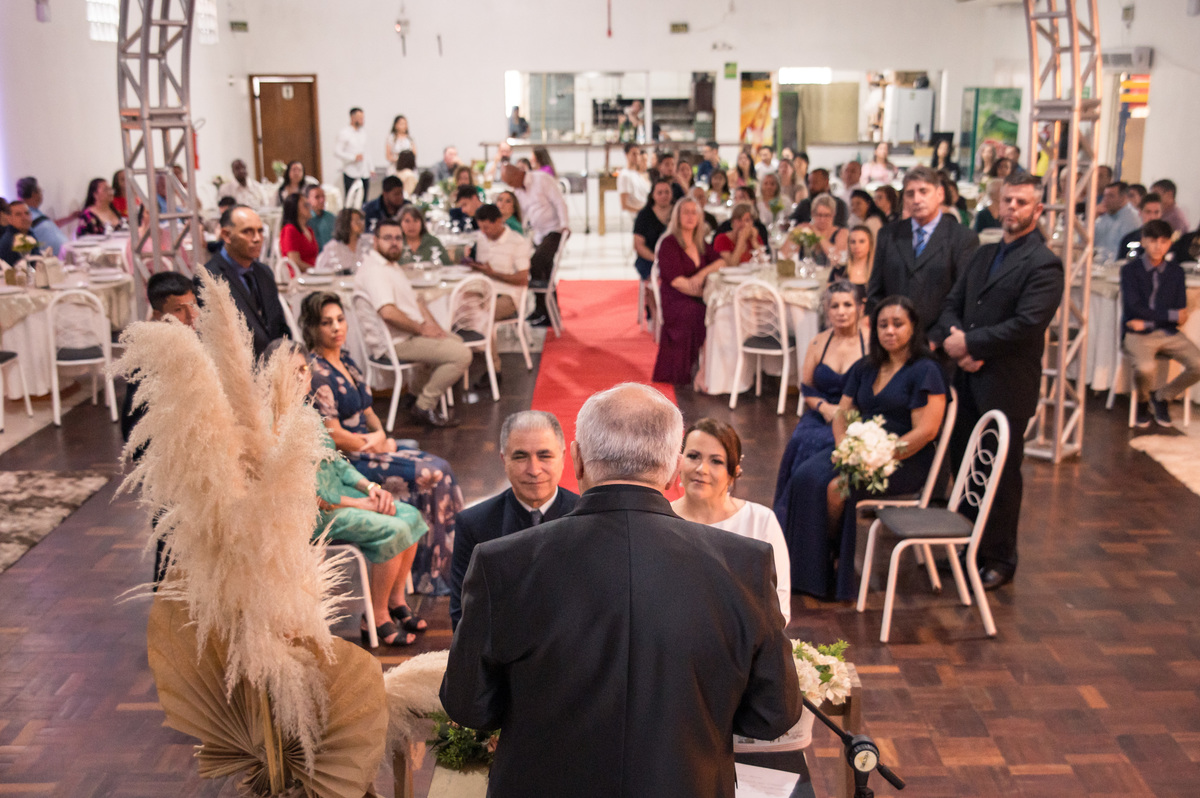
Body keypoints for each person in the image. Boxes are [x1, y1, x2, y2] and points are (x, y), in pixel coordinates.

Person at [441, 383, 801, 798]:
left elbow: (470, 705)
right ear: (672, 469)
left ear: (574, 459)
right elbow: (773, 715)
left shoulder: (502, 563)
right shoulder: (744, 565)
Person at [931, 171, 1064, 591]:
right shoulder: (983, 253)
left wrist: (970, 344)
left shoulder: (1044, 262)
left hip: (1006, 382)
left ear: (1037, 209)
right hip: (967, 380)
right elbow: (952, 303)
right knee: (964, 465)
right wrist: (956, 340)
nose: (1012, 209)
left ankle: (999, 559)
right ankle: (965, 547)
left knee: (1000, 473)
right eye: (1008, 200)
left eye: (1022, 202)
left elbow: (1027, 324)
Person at [780, 296, 947, 600]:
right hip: (859, 448)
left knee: (835, 488)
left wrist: (881, 455)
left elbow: (926, 431)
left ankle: (830, 561)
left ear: (913, 328)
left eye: (898, 324)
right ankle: (809, 568)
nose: (890, 331)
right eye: (883, 324)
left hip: (904, 458)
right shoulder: (866, 367)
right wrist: (846, 446)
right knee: (804, 476)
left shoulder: (926, 371)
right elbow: (842, 413)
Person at [300, 292, 465, 601]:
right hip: (351, 460)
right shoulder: (317, 373)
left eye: (340, 319)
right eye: (327, 323)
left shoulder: (345, 359)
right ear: (312, 328)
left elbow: (367, 409)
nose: (337, 327)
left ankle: (450, 566)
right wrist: (375, 443)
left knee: (443, 467)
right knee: (432, 473)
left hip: (372, 447)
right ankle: (429, 574)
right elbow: (332, 435)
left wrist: (382, 435)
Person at [266, 338, 427, 647]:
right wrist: (362, 504)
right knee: (392, 527)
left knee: (411, 515)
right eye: (292, 371)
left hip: (342, 499)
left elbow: (338, 466)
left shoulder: (308, 413)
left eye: (304, 369)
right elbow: (302, 493)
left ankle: (395, 601)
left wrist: (371, 488)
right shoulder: (272, 426)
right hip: (312, 514)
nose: (302, 376)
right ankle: (375, 616)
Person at [448, 411, 580, 629]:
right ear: (504, 460)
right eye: (520, 457)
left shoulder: (589, 517)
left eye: (544, 456)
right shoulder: (473, 524)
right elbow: (464, 614)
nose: (534, 470)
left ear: (564, 457)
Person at [119, 271, 201, 585]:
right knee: (172, 551)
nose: (190, 316)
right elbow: (134, 429)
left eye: (193, 305)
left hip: (203, 464)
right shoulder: (146, 358)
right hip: (171, 472)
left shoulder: (196, 343)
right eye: (180, 309)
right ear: (158, 314)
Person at [353, 219, 471, 428]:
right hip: (395, 343)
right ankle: (424, 405)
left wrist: (433, 327)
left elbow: (416, 302)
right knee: (461, 354)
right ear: (375, 241)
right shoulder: (375, 271)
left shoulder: (391, 265)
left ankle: (414, 395)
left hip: (408, 334)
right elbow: (388, 313)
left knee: (455, 340)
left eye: (398, 238)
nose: (394, 243)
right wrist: (422, 329)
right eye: (387, 238)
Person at [673, 418, 791, 624]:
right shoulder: (662, 517)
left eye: (716, 461)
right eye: (693, 456)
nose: (702, 469)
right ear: (679, 463)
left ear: (734, 472)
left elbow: (779, 605)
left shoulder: (760, 521)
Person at [774, 282, 866, 513]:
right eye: (835, 306)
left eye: (847, 304)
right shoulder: (818, 342)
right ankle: (794, 510)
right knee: (800, 441)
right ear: (827, 309)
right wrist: (824, 408)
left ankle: (826, 507)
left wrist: (845, 414)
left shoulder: (871, 344)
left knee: (829, 445)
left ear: (859, 308)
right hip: (820, 413)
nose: (841, 311)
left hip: (856, 417)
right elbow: (807, 387)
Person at [868, 165, 979, 335]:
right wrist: (885, 330)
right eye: (910, 194)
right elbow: (876, 292)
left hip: (939, 343)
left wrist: (936, 338)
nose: (917, 199)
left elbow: (963, 297)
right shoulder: (889, 235)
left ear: (940, 194)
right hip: (893, 340)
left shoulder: (962, 238)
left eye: (923, 191)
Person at [1118, 220, 1200, 428]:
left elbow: (1180, 312)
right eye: (1153, 240)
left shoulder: (1176, 272)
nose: (1158, 246)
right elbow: (1133, 308)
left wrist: (1151, 320)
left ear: (1169, 243)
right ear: (1144, 241)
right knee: (1145, 368)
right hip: (1137, 334)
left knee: (1198, 364)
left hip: (1167, 332)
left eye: (1163, 241)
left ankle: (1162, 396)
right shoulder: (1130, 270)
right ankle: (1143, 403)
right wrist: (1170, 315)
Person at [198, 205, 289, 358]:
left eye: (260, 231)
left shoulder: (264, 272)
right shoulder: (210, 278)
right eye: (247, 232)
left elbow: (279, 325)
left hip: (274, 365)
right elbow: (218, 340)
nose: (257, 238)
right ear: (226, 235)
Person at [652, 198, 723, 385]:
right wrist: (704, 294)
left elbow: (721, 261)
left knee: (719, 312)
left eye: (694, 212)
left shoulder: (700, 243)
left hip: (697, 296)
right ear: (677, 216)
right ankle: (702, 373)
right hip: (676, 299)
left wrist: (701, 275)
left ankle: (710, 372)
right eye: (686, 212)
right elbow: (677, 281)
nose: (690, 216)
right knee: (703, 313)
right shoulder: (669, 243)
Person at [501, 163, 568, 326]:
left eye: (510, 182)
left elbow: (559, 202)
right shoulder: (519, 190)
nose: (511, 186)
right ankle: (547, 312)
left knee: (536, 264)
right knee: (545, 271)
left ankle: (544, 310)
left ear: (517, 174)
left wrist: (565, 226)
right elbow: (525, 214)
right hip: (538, 233)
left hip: (555, 229)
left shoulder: (541, 179)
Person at [469, 203, 531, 323]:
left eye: (486, 228)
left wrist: (492, 273)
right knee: (459, 310)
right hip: (484, 290)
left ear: (498, 221)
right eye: (480, 228)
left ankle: (487, 341)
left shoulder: (517, 242)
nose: (483, 232)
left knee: (480, 318)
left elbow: (523, 279)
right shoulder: (482, 239)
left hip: (508, 295)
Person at [632, 179, 673, 280]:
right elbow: (638, 244)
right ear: (653, 195)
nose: (664, 195)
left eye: (667, 192)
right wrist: (656, 259)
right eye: (660, 193)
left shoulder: (679, 212)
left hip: (674, 257)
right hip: (649, 258)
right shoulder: (644, 215)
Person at [14, 177, 67, 256]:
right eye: (40, 191)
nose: (41, 194)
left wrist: (71, 217)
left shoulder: (37, 213)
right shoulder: (24, 217)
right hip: (49, 262)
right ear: (34, 194)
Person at [1095, 181, 1143, 262]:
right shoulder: (1104, 214)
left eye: (1111, 196)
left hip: (1117, 266)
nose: (1105, 200)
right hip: (1099, 262)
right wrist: (1093, 216)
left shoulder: (1132, 219)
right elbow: (1087, 242)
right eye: (1105, 196)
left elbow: (1121, 254)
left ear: (1123, 198)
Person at [317, 207, 372, 274]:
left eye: (361, 220)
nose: (361, 224)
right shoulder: (332, 247)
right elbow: (321, 269)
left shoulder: (368, 242)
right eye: (356, 221)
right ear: (346, 223)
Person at [335, 107, 371, 202]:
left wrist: (371, 168)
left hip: (363, 171)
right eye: (360, 118)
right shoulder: (344, 133)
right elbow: (337, 152)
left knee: (364, 200)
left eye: (363, 118)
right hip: (351, 171)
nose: (362, 120)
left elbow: (366, 151)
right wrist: (353, 157)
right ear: (352, 118)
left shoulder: (363, 133)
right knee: (350, 198)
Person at [278, 192, 318, 276]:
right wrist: (315, 270)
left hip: (313, 273)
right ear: (295, 209)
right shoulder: (290, 230)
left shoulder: (309, 230)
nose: (309, 207)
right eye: (305, 205)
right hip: (299, 276)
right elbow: (294, 261)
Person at [802, 195, 849, 267]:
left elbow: (836, 259)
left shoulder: (842, 233)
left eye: (827, 215)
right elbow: (785, 254)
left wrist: (817, 233)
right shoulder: (805, 230)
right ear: (812, 214)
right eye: (819, 215)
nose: (822, 220)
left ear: (833, 215)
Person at [1118, 192, 1162, 261]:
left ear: (1161, 213)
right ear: (1140, 213)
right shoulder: (1129, 239)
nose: (1152, 217)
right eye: (1148, 212)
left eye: (1156, 212)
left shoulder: (1168, 241)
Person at [830, 225, 874, 291]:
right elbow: (828, 297)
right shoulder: (839, 270)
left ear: (870, 244)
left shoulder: (877, 272)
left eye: (862, 241)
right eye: (853, 242)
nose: (857, 246)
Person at [618, 143, 649, 214]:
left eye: (638, 154)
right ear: (627, 155)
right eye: (634, 154)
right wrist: (642, 212)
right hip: (637, 215)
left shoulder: (637, 174)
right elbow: (624, 205)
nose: (636, 157)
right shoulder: (625, 175)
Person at [305, 184, 336, 249]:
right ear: (308, 200)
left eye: (323, 196)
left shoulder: (331, 218)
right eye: (317, 197)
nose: (322, 200)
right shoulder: (306, 220)